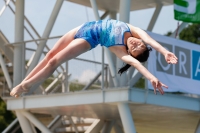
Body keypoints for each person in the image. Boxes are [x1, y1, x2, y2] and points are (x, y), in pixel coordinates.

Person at [10, 19, 178, 97]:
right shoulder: (135, 31)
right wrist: (165, 52)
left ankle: (26, 86)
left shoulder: (120, 50)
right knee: (50, 55)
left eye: (134, 49)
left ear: (129, 51)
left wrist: (151, 77)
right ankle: (24, 81)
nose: (136, 44)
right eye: (139, 44)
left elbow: (136, 63)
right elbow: (149, 40)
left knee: (55, 61)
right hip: (84, 26)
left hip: (88, 40)